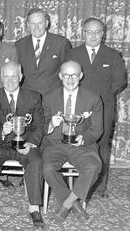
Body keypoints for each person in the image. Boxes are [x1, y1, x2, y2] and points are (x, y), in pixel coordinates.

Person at [0, 61, 45, 229]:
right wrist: (2, 131)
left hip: (24, 143)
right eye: (6, 76)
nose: (10, 80)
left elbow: (39, 125)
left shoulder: (33, 97)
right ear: (1, 78)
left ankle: (34, 208)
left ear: (21, 77)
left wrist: (32, 143)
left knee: (36, 161)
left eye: (14, 76)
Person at [66, 17, 127, 198]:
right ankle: (77, 184)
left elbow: (120, 81)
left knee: (101, 146)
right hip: (77, 108)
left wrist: (101, 98)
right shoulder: (72, 54)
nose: (93, 35)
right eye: (89, 31)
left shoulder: (113, 55)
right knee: (77, 143)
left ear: (103, 34)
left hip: (104, 108)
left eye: (97, 32)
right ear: (83, 33)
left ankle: (100, 187)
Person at [42, 60, 103, 222]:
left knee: (93, 166)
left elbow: (97, 129)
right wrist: (50, 125)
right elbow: (40, 127)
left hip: (82, 145)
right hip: (55, 144)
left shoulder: (93, 98)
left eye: (74, 75)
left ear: (81, 76)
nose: (70, 79)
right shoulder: (48, 98)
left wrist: (84, 138)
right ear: (60, 76)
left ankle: (67, 204)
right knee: (47, 168)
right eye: (66, 75)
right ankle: (75, 203)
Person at [15, 8, 71, 96]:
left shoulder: (61, 43)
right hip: (28, 98)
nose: (36, 27)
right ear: (28, 25)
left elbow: (68, 72)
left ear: (47, 23)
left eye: (40, 23)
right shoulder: (19, 45)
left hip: (53, 98)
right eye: (33, 23)